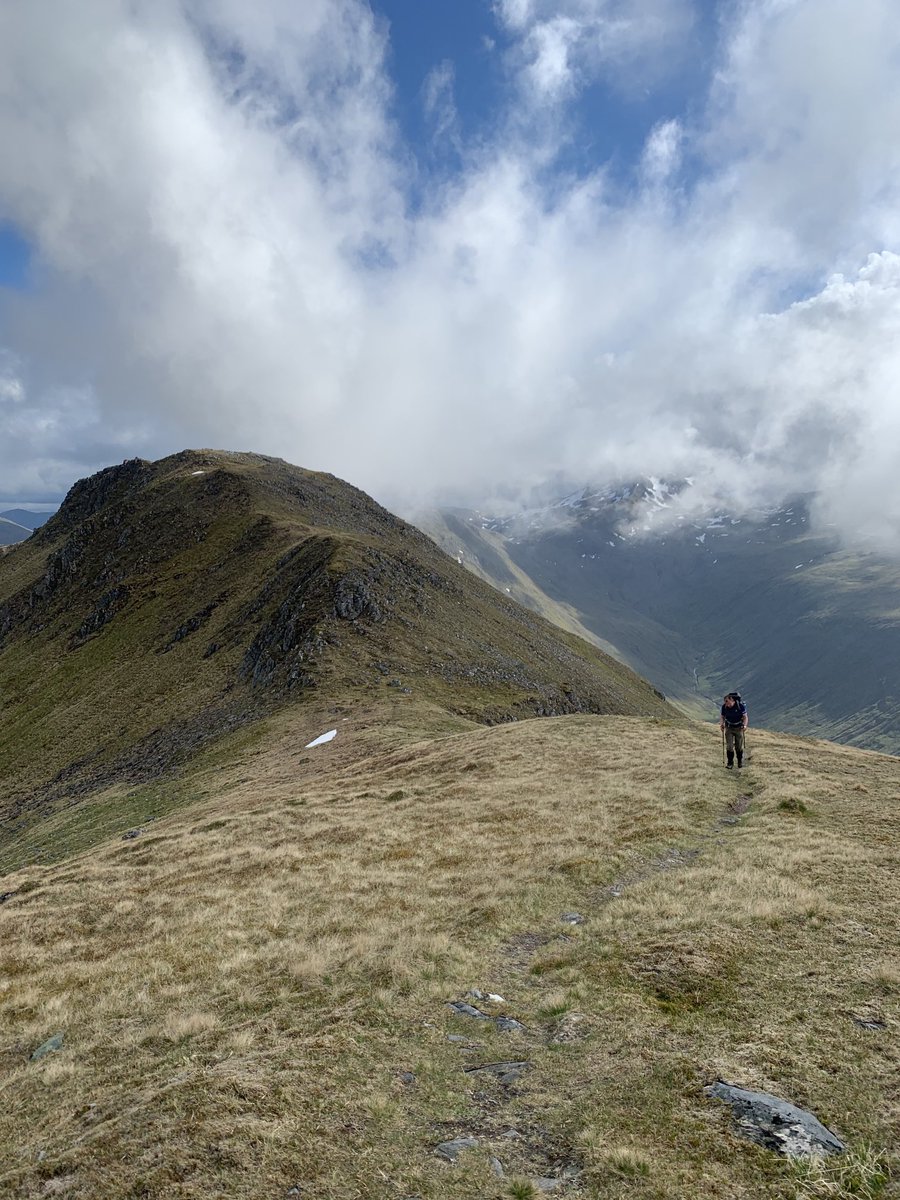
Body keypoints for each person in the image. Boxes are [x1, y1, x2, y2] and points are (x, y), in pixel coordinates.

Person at [720, 692, 748, 769]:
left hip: (739, 728)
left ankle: (740, 761)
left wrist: (745, 725)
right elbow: (722, 716)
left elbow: (745, 717)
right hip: (729, 727)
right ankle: (730, 763)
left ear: (732, 700)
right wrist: (722, 724)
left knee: (738, 746)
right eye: (725, 702)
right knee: (729, 746)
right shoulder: (724, 707)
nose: (726, 704)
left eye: (727, 701)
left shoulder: (740, 706)